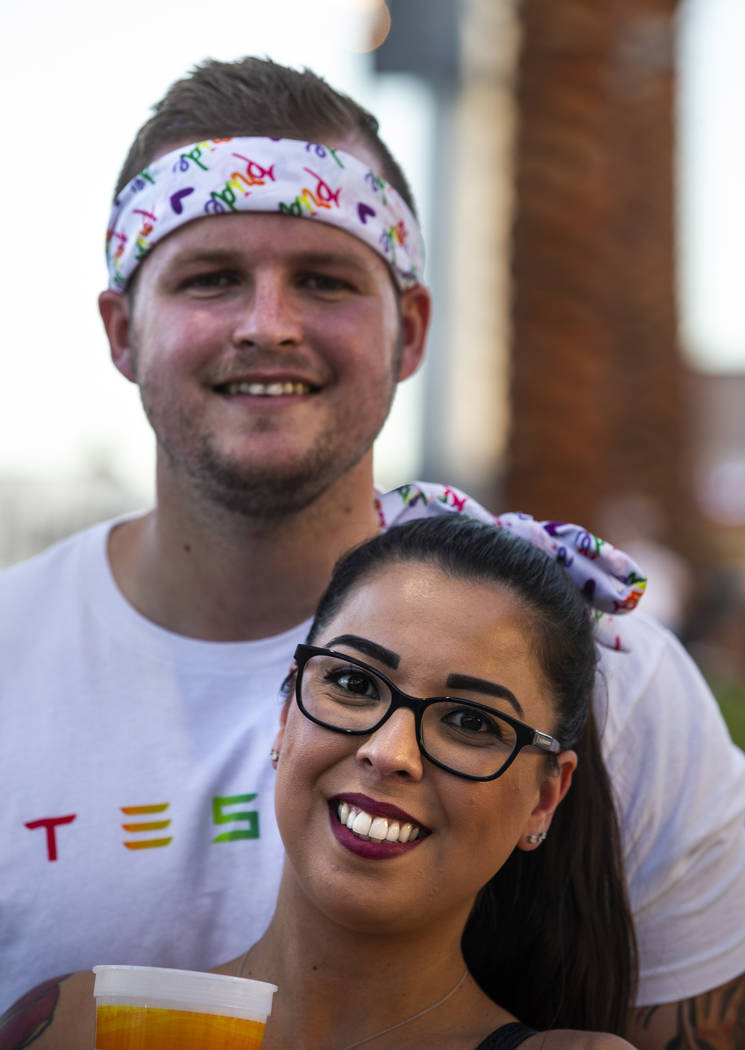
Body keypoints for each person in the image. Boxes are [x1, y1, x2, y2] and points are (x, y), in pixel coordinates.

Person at [0, 55, 743, 1047]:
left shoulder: (611, 682)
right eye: (211, 278)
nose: (268, 325)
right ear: (121, 330)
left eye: (324, 280)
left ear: (410, 332)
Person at [0, 516, 640, 1049]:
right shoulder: (83, 1025)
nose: (389, 753)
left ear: (544, 799)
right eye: (355, 683)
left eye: (471, 721)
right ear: (284, 716)